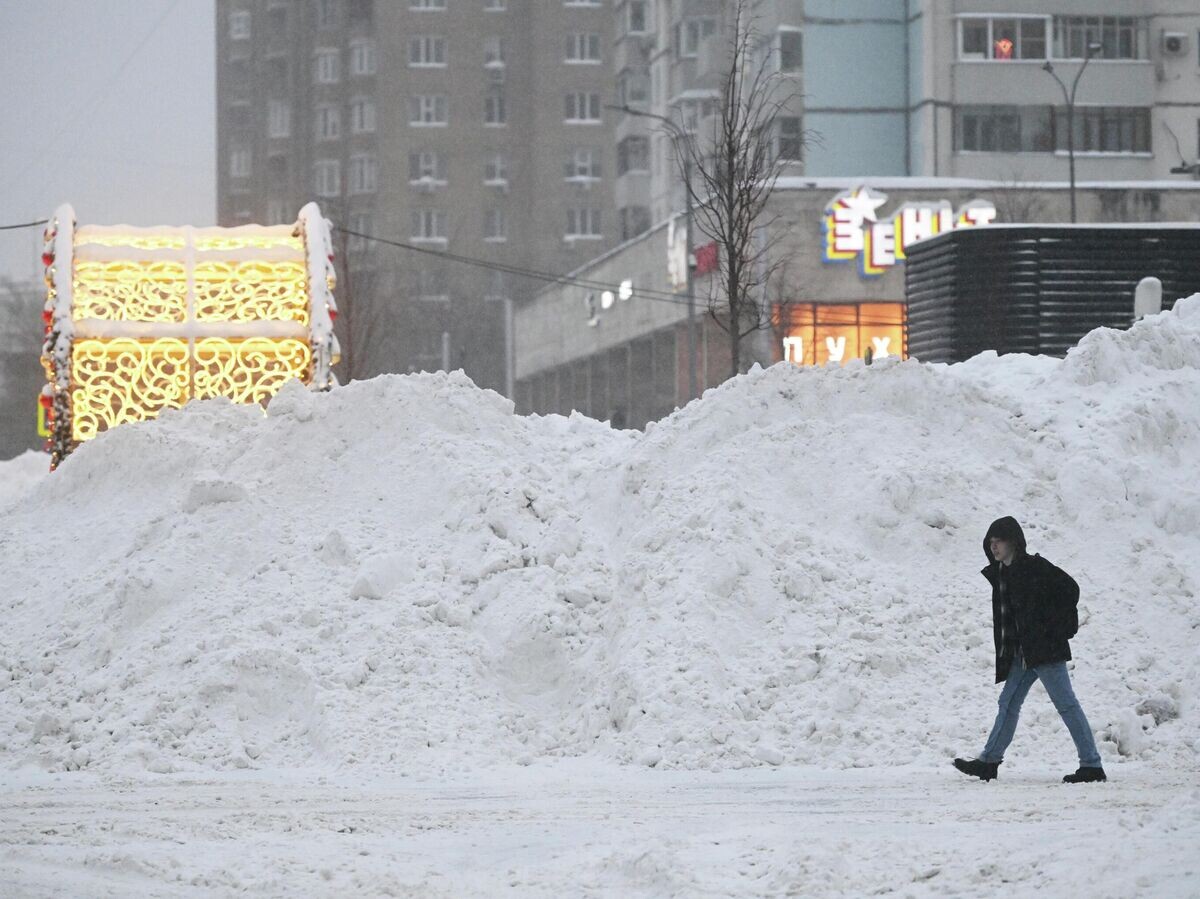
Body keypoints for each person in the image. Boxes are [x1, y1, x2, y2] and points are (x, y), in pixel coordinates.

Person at [953, 516, 1106, 784]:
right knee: (1008, 702)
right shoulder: (1003, 573)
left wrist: (1056, 626)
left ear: (1013, 541)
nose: (993, 546)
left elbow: (1070, 589)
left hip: (1045, 650)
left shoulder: (1035, 567)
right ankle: (989, 762)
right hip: (1023, 653)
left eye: (998, 541)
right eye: (990, 542)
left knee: (1066, 705)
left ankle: (1092, 765)